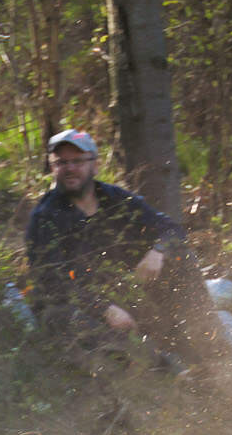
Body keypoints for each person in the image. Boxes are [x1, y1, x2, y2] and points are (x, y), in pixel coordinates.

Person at [26, 129, 216, 367]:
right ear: (53, 168)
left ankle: (212, 348)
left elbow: (172, 230)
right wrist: (104, 309)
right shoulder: (45, 217)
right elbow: (52, 284)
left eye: (78, 161)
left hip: (121, 294)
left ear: (95, 165)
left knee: (178, 255)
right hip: (80, 306)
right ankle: (158, 367)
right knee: (64, 319)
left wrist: (157, 251)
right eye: (61, 162)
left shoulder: (115, 198)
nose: (70, 168)